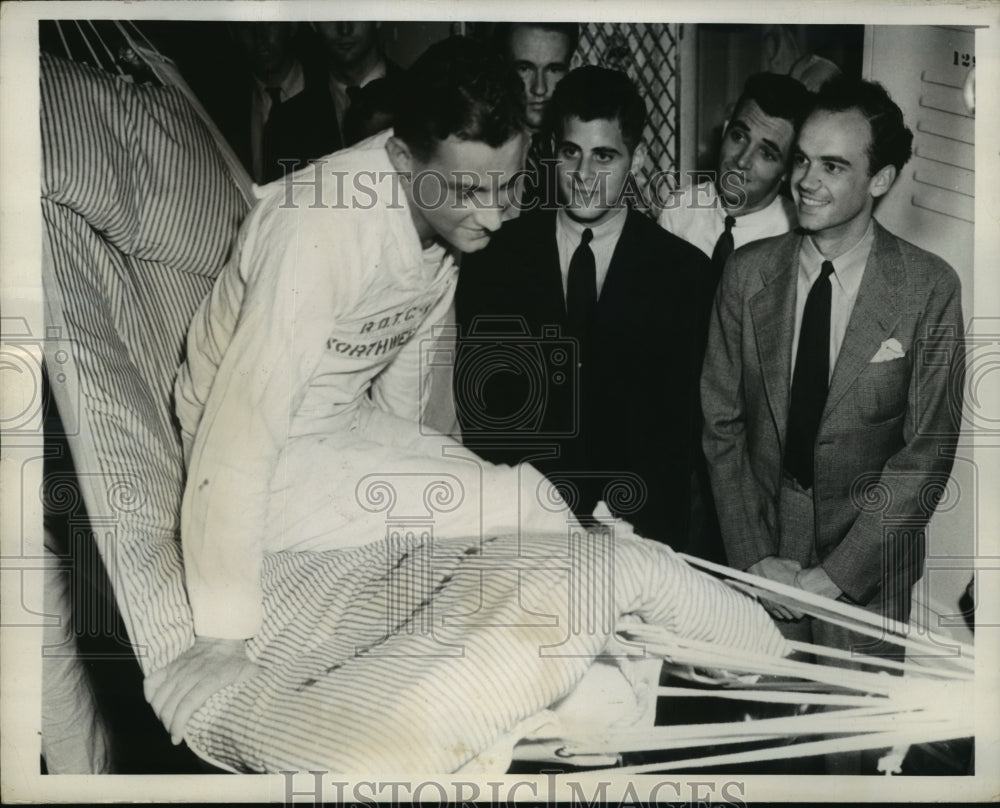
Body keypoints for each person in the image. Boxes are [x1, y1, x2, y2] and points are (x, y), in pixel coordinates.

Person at [147, 36, 579, 746]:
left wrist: (425, 479)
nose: (495, 215)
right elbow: (241, 428)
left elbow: (407, 388)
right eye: (469, 192)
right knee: (529, 501)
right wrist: (222, 634)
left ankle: (562, 678)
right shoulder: (319, 224)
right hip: (269, 449)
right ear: (402, 158)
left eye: (507, 185)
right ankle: (555, 693)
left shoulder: (444, 205)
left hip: (338, 422)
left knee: (518, 501)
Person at [701, 75, 964, 667]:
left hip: (868, 571)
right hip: (764, 552)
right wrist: (752, 555)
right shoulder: (746, 275)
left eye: (833, 166)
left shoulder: (928, 287)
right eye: (802, 159)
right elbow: (721, 423)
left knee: (855, 727)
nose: (806, 181)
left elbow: (926, 454)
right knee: (761, 712)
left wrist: (837, 575)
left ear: (880, 179)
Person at [454, 66, 713, 550]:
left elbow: (678, 433)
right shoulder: (495, 256)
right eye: (571, 152)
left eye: (604, 156)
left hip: (636, 536)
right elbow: (482, 409)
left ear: (637, 160)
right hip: (518, 526)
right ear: (553, 150)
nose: (584, 176)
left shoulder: (686, 274)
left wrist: (619, 522)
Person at [658, 72, 813, 284]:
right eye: (738, 136)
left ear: (788, 170)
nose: (742, 160)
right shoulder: (680, 209)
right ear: (724, 131)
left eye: (767, 154)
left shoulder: (797, 235)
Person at [219, 22, 341, 184]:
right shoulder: (226, 112)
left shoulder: (332, 89)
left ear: (292, 25)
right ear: (233, 33)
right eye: (246, 26)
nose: (260, 36)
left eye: (270, 23)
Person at [492, 22, 579, 207]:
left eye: (554, 69)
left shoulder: (587, 148)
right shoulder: (477, 147)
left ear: (573, 66)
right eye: (524, 68)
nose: (540, 88)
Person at [313, 21, 401, 146]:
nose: (344, 29)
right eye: (331, 16)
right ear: (312, 23)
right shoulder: (290, 119)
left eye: (356, 13)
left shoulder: (421, 97)